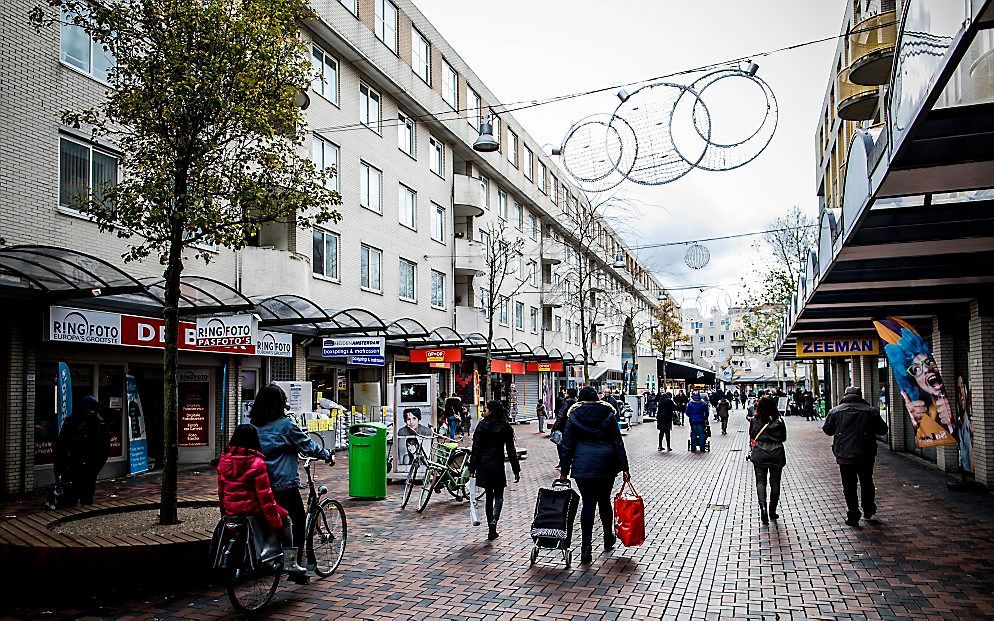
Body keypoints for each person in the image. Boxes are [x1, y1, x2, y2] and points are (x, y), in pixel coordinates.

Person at [250, 384, 333, 581]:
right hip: (283, 484)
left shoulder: (251, 427)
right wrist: (327, 455)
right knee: (296, 522)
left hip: (257, 485)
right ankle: (292, 565)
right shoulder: (286, 426)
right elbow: (308, 446)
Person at [217, 424, 307, 579]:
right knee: (287, 521)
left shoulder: (224, 460)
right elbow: (265, 497)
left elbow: (221, 491)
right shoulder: (257, 463)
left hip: (232, 509)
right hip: (253, 509)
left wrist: (224, 513)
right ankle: (290, 562)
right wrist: (275, 520)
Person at [559, 386, 630, 565]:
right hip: (606, 464)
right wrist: (625, 467)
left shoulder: (574, 416)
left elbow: (567, 445)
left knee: (588, 504)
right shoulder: (607, 413)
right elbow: (617, 441)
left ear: (580, 400)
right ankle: (608, 537)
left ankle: (586, 548)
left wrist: (564, 472)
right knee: (605, 501)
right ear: (597, 398)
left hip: (583, 464)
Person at [823, 386, 889, 527]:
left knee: (849, 485)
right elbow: (883, 430)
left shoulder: (835, 411)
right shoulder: (870, 411)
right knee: (867, 482)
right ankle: (868, 509)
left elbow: (827, 430)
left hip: (844, 455)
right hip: (866, 454)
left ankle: (853, 513)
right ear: (860, 395)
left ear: (845, 395)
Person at [468, 400, 520, 541]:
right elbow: (511, 450)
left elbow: (476, 449)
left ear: (491, 411)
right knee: (499, 496)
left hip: (484, 465)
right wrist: (516, 469)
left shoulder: (482, 425)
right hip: (497, 464)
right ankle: (494, 521)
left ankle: (491, 529)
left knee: (489, 497)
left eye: (485, 409)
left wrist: (472, 468)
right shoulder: (505, 426)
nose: (483, 411)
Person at [54, 395, 109, 506]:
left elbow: (103, 450)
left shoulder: (99, 424)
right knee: (69, 500)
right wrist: (59, 469)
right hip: (71, 469)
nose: (91, 413)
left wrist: (94, 470)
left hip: (88, 470)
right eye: (89, 410)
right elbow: (61, 446)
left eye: (93, 410)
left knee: (86, 499)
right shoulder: (71, 421)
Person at [749, 395, 787, 524]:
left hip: (760, 452)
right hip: (776, 453)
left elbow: (752, 435)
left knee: (761, 482)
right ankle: (772, 510)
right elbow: (783, 438)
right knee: (775, 482)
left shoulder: (755, 420)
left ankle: (763, 508)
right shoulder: (779, 421)